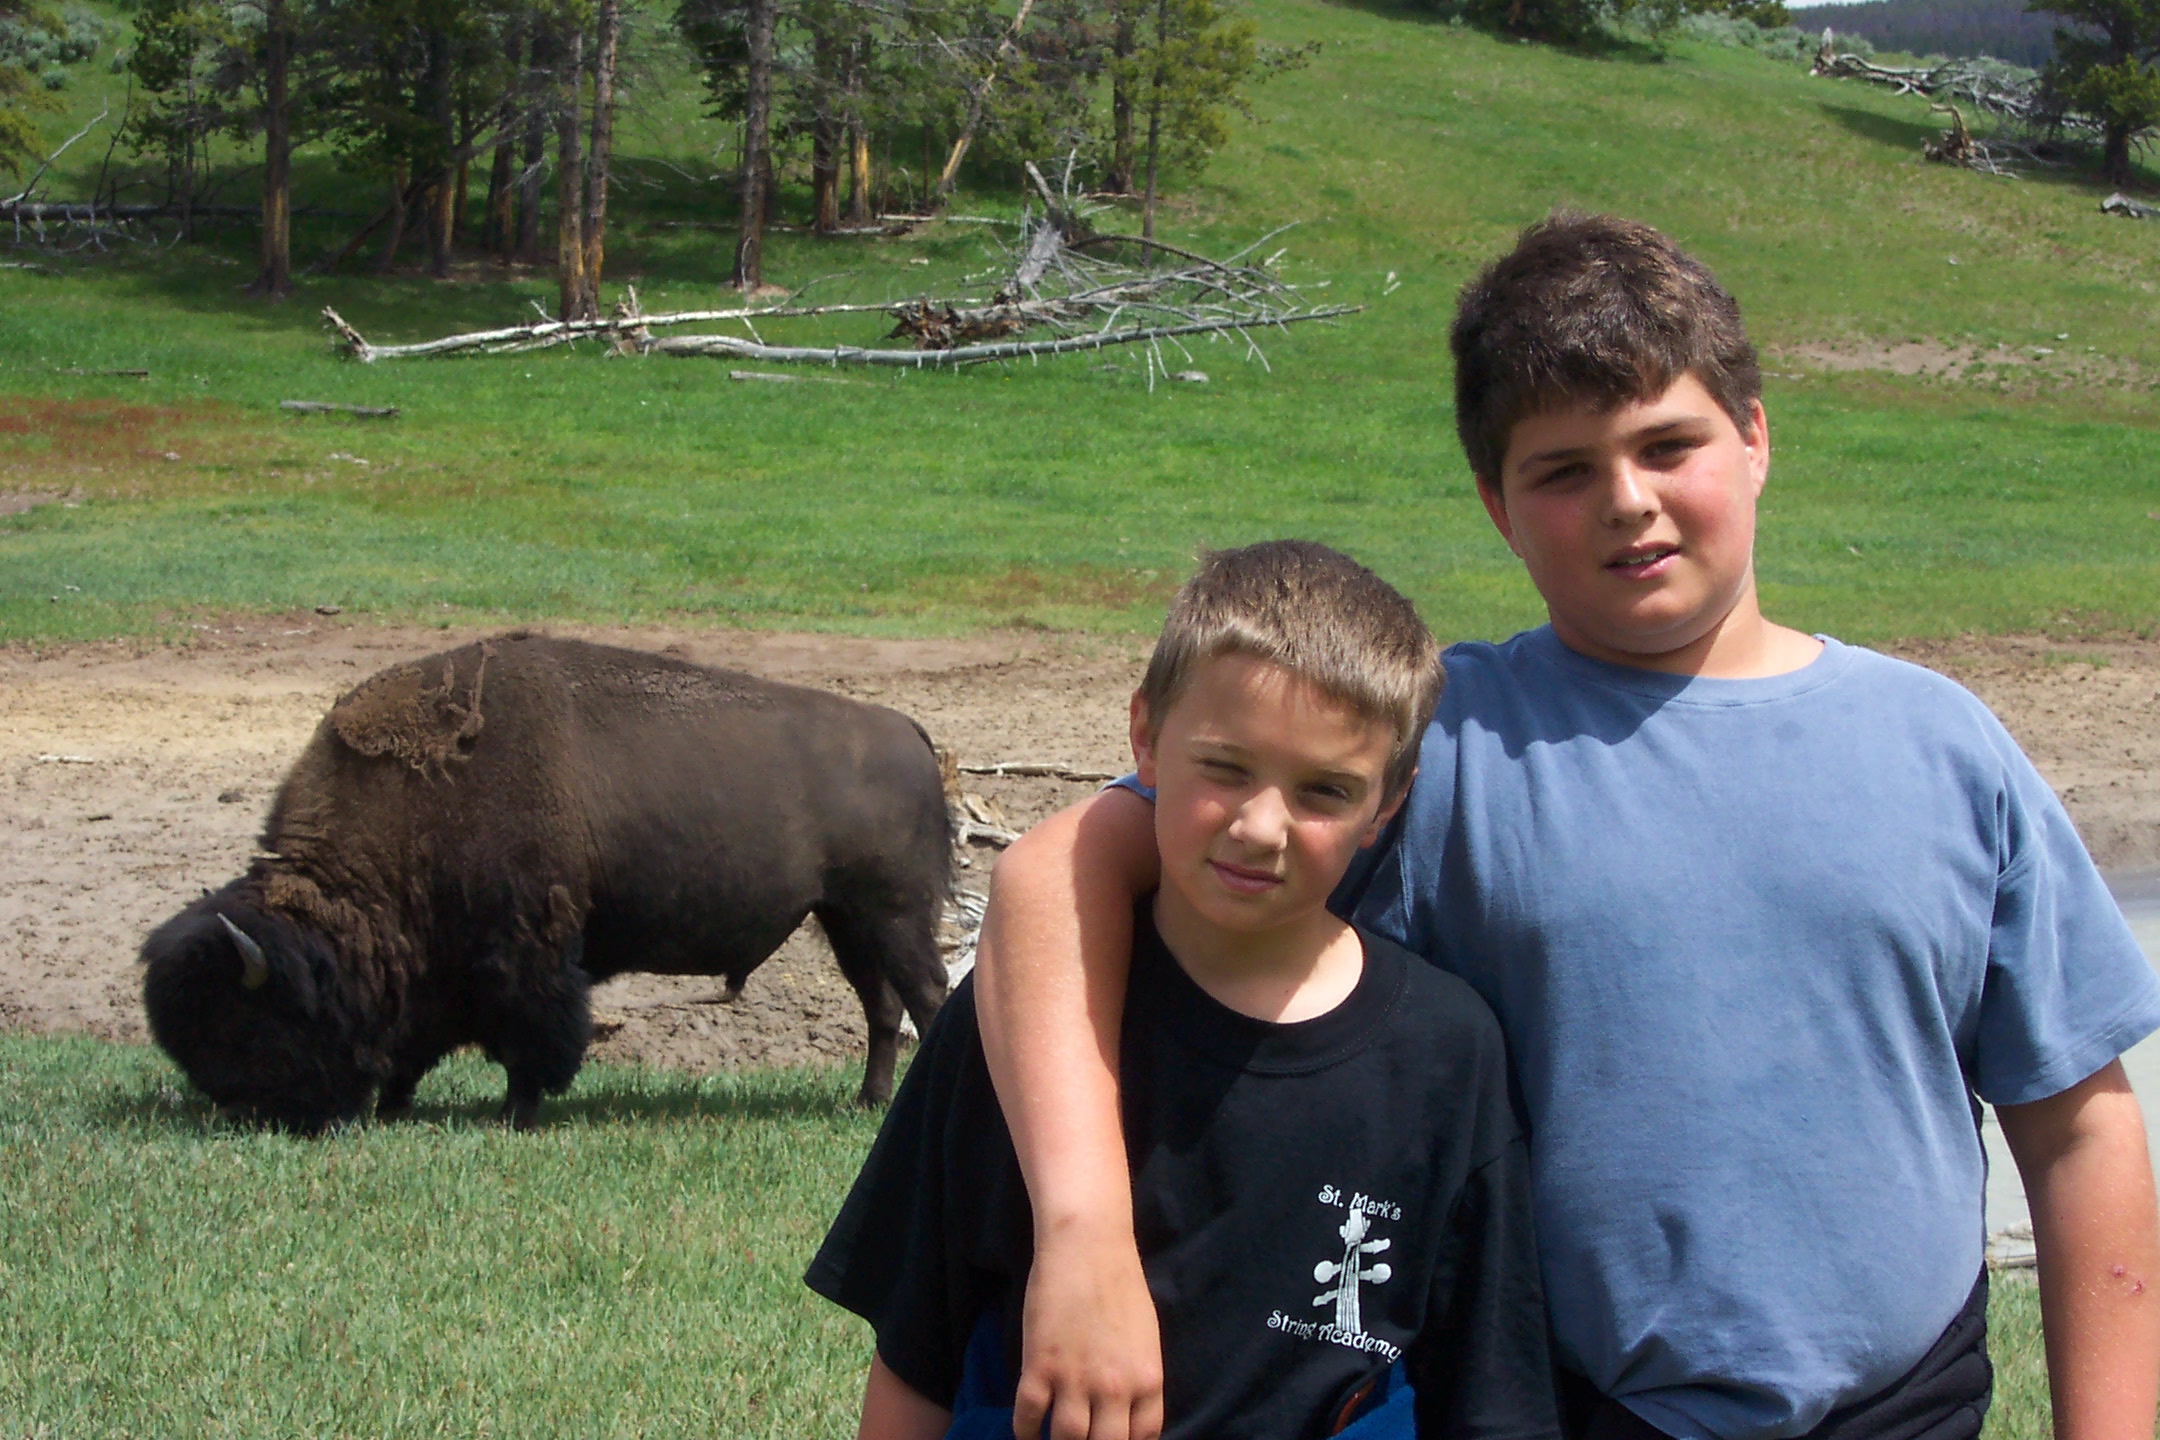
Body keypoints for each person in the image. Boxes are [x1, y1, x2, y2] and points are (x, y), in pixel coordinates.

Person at [968, 213, 2160, 1440]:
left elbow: (2079, 1131)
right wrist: (1085, 1234)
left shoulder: (1944, 744)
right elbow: (1057, 872)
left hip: (1906, 1409)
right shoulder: (1445, 745)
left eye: (1668, 445)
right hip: (1569, 1403)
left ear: (1755, 439)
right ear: (1497, 503)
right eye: (1564, 471)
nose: (1627, 503)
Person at [807, 541, 1565, 1440]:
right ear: (1146, 740)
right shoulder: (1018, 1023)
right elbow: (915, 1362)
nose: (1261, 827)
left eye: (1325, 790)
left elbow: (1488, 1398)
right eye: (1226, 767)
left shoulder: (1447, 1055)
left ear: (1389, 803)